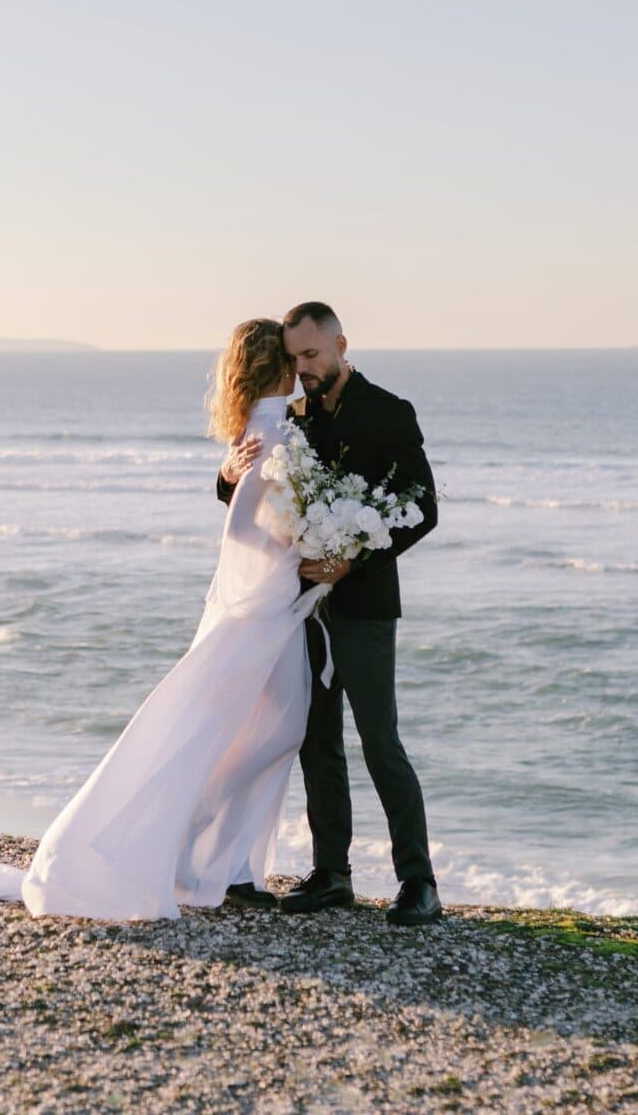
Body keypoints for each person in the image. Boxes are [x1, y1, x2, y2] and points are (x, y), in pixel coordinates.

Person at [0, 319, 334, 920]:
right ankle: (201, 862)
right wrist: (311, 545)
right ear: (274, 365)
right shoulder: (272, 430)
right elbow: (252, 528)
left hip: (270, 605)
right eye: (291, 357)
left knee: (259, 733)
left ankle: (219, 865)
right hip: (260, 605)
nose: (299, 365)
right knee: (255, 734)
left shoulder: (276, 426)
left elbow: (252, 509)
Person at [218, 300, 442, 926]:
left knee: (379, 743)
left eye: (312, 356)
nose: (304, 369)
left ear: (342, 344)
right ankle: (332, 875)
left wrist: (353, 560)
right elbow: (250, 493)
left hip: (365, 606)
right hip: (299, 610)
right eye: (294, 360)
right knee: (317, 744)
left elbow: (423, 508)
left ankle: (419, 882)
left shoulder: (390, 412)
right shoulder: (291, 419)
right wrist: (226, 472)